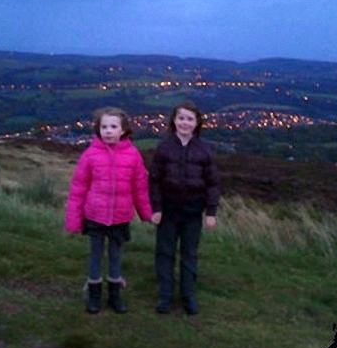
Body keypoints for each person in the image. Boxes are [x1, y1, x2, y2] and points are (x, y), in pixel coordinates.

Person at [65, 107, 153, 314]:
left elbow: (139, 188)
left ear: (123, 130)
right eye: (104, 126)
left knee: (115, 256)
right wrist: (74, 221)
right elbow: (78, 189)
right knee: (95, 255)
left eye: (113, 126)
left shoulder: (133, 155)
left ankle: (115, 295)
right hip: (94, 216)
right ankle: (94, 295)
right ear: (98, 129)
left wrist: (147, 214)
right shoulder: (90, 155)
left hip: (120, 217)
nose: (108, 131)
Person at [149, 101, 220, 315]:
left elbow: (213, 183)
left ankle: (188, 295)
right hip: (168, 210)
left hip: (193, 210)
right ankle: (165, 296)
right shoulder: (164, 147)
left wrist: (211, 212)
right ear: (174, 120)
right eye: (181, 118)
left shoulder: (204, 150)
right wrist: (157, 208)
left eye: (190, 119)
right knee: (165, 252)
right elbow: (154, 181)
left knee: (189, 253)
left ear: (197, 123)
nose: (185, 122)